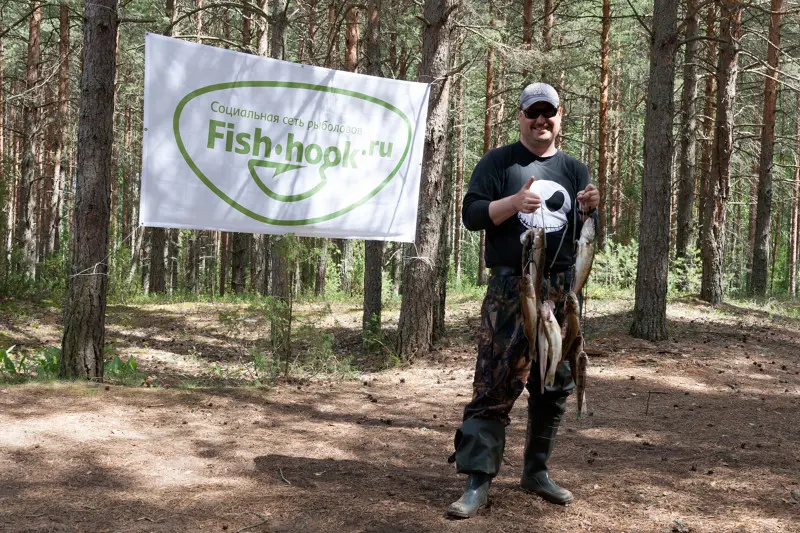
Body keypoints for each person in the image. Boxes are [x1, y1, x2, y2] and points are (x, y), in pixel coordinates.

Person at [447, 82, 600, 518]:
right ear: (520, 116)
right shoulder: (499, 162)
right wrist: (513, 202)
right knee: (494, 384)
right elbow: (472, 214)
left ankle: (536, 471)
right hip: (511, 290)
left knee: (554, 383)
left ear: (559, 115)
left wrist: (592, 206)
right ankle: (478, 482)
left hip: (562, 292)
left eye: (548, 112)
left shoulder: (574, 169)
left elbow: (583, 231)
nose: (540, 120)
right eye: (532, 112)